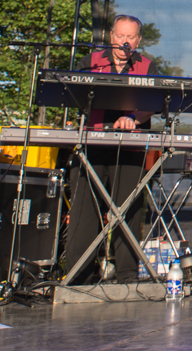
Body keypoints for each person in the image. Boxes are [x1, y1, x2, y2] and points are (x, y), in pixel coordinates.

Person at [66, 15, 157, 284]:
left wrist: (134, 118)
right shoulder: (90, 62)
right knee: (84, 212)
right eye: (120, 36)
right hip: (92, 144)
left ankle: (128, 277)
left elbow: (156, 101)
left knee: (127, 211)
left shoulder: (146, 66)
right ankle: (78, 277)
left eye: (130, 37)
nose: (124, 41)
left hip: (129, 149)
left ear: (138, 41)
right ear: (111, 36)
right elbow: (74, 94)